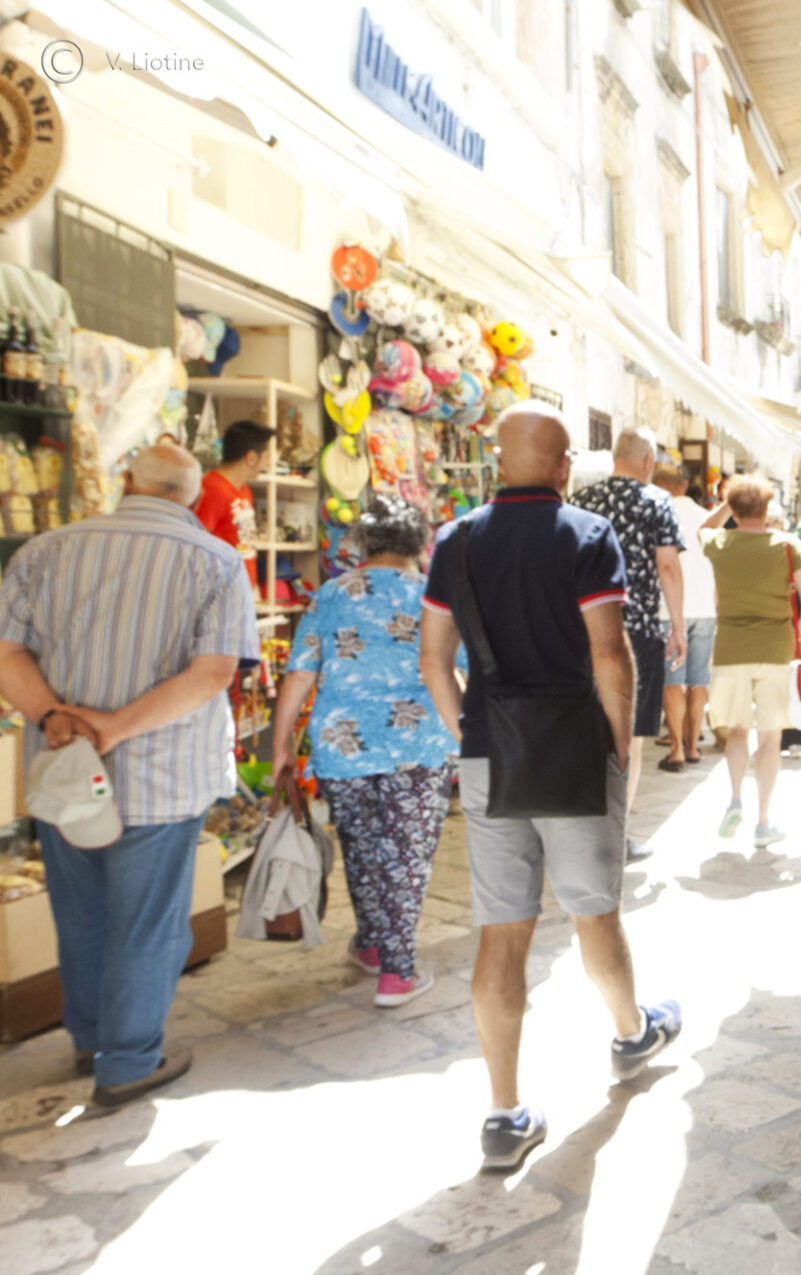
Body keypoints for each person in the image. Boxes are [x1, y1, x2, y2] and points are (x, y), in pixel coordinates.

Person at [419, 402, 681, 1172]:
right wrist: (618, 742)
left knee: (502, 931)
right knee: (594, 910)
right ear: (565, 465)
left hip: (489, 747)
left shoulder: (454, 539)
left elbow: (434, 658)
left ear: (498, 461)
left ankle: (504, 1115)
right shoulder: (586, 533)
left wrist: (467, 731)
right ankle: (631, 1034)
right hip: (573, 744)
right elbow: (609, 652)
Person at [0, 440, 259, 1107]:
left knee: (80, 914)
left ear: (126, 480)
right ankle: (128, 1062)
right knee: (148, 922)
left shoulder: (45, 551)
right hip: (162, 776)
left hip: (65, 769)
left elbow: (6, 653)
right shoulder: (216, 561)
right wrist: (114, 727)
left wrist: (53, 716)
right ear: (194, 495)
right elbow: (213, 672)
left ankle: (91, 1040)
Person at [272, 495, 456, 1009]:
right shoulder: (433, 595)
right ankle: (398, 973)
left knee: (362, 849)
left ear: (362, 542)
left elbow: (300, 674)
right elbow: (458, 670)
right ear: (418, 543)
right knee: (405, 856)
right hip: (417, 744)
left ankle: (373, 946)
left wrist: (281, 746)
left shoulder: (330, 594)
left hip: (342, 746)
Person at [572, 428, 687, 860]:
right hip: (635, 631)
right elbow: (668, 565)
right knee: (631, 733)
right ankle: (614, 836)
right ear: (647, 461)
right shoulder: (656, 501)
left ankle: (582, 830)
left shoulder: (580, 500)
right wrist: (678, 626)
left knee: (588, 731)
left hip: (582, 630)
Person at [700, 476, 801, 847]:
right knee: (769, 738)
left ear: (735, 510)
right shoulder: (787, 545)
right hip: (775, 651)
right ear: (768, 508)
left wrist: (729, 502)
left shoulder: (720, 543)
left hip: (730, 650)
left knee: (737, 732)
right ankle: (763, 821)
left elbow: (704, 527)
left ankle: (735, 798)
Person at [655, 464, 715, 768]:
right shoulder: (707, 518)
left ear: (662, 488)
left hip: (670, 609)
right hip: (705, 609)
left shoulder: (658, 514)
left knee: (672, 682)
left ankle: (676, 749)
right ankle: (693, 747)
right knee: (698, 680)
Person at [193, 419, 273, 560]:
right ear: (251, 458)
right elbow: (198, 545)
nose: (269, 463)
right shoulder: (211, 489)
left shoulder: (244, 490)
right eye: (267, 456)